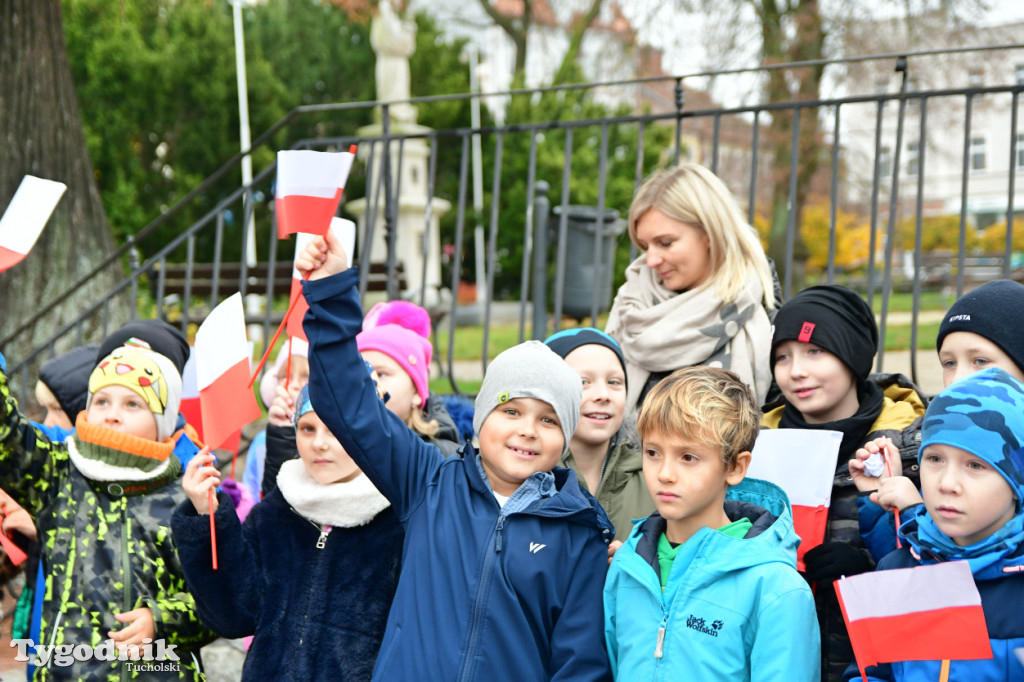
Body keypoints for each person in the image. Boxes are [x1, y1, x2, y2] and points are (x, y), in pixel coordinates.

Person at [295, 230, 613, 681]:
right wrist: (330, 292)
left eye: (549, 420)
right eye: (512, 410)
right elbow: (346, 400)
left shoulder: (578, 532)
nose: (527, 429)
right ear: (479, 426)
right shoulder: (427, 480)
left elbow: (580, 665)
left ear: (564, 440)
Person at [0, 344, 214, 680]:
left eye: (132, 404)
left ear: (162, 421)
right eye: (101, 401)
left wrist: (159, 620)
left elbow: (221, 602)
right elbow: (6, 436)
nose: (112, 414)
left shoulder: (184, 497)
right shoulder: (57, 473)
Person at [172, 381, 403, 682]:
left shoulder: (398, 522)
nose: (319, 443)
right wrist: (208, 516)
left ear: (368, 430)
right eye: (308, 428)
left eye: (336, 427)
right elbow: (233, 616)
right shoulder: (275, 512)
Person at [604, 366, 819, 680]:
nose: (664, 473)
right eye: (653, 452)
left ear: (735, 467)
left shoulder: (776, 588)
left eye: (688, 457)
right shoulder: (626, 566)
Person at [762, 284, 928, 682]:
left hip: (872, 665)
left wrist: (868, 570)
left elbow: (938, 565)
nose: (796, 370)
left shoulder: (915, 450)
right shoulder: (756, 449)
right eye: (782, 357)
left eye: (814, 351)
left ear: (852, 355)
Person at [842, 367, 1024, 682]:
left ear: (1017, 482)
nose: (947, 483)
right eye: (935, 459)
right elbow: (870, 672)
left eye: (976, 464)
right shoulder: (896, 568)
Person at [605, 163, 777, 411]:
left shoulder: (765, 315)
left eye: (665, 243)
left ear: (709, 233)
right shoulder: (630, 301)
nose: (651, 260)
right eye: (644, 246)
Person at [544, 327, 652, 542]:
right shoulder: (527, 471)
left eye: (614, 382)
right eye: (583, 382)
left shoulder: (654, 470)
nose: (603, 395)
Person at [243, 337, 310, 500]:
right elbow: (251, 495)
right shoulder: (261, 442)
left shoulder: (330, 440)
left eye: (306, 376)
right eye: (285, 376)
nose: (293, 385)